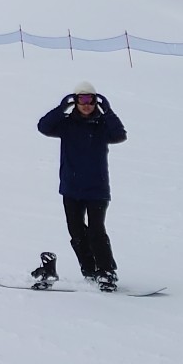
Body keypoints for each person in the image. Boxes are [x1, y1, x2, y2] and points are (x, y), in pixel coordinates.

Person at [36, 80, 127, 289]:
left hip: (97, 189)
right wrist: (61, 109)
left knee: (96, 231)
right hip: (71, 188)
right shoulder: (66, 124)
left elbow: (120, 135)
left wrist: (109, 112)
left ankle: (106, 272)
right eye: (81, 99)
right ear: (75, 101)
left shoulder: (102, 125)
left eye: (91, 100)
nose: (86, 104)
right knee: (76, 232)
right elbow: (43, 126)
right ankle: (89, 270)